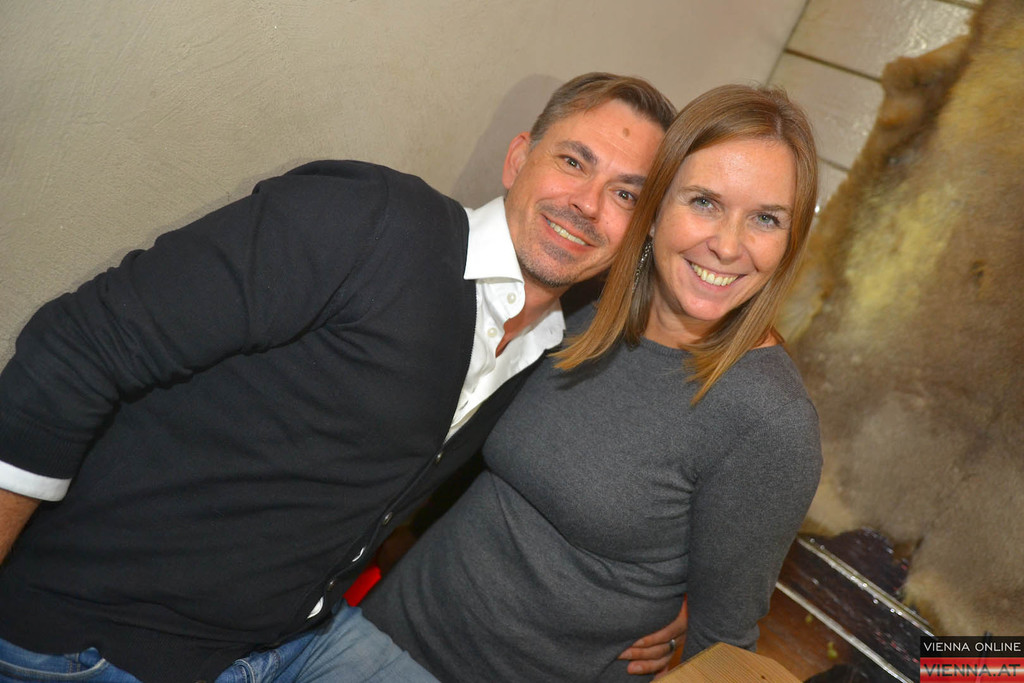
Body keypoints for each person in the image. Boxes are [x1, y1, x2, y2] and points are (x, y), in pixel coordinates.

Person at [0, 73, 681, 682]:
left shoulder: (554, 346)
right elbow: (80, 343)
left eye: (626, 194)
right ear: (517, 159)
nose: (588, 203)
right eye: (573, 161)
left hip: (298, 637)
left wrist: (681, 590)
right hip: (98, 637)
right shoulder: (372, 222)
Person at [361, 83, 824, 682]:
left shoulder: (768, 419)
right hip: (380, 633)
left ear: (789, 243)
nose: (729, 245)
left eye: (765, 218)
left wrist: (696, 603)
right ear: (654, 210)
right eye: (705, 202)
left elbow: (723, 645)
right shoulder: (580, 295)